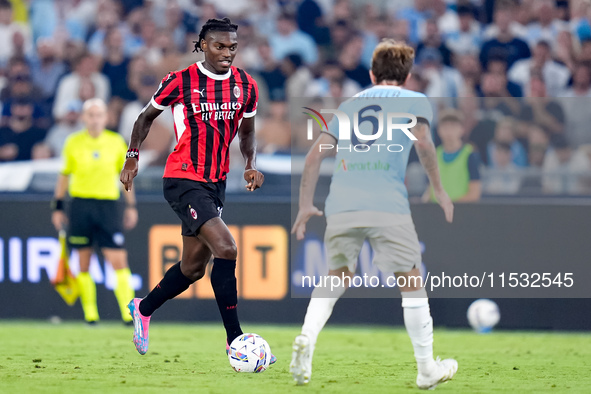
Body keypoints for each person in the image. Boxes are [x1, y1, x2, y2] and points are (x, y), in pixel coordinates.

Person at [290, 39, 457, 390]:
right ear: (408, 76)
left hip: (342, 201)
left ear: (371, 74)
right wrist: (439, 189)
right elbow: (424, 144)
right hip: (387, 202)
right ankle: (426, 369)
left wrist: (305, 205)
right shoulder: (415, 100)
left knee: (336, 275)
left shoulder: (350, 104)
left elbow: (313, 158)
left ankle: (307, 336)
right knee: (410, 280)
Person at [120, 18, 275, 366]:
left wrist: (250, 162)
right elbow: (144, 119)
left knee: (192, 269)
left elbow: (247, 133)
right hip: (182, 178)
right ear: (203, 45)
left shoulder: (246, 86)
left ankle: (142, 308)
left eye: (232, 47)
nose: (227, 53)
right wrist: (132, 158)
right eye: (220, 46)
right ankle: (236, 340)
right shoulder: (180, 80)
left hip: (215, 183)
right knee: (227, 247)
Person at [50, 98, 137, 325]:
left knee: (118, 259)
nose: (95, 119)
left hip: (108, 205)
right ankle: (91, 315)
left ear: (106, 118)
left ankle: (128, 315)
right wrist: (58, 206)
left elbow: (126, 177)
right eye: (91, 114)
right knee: (83, 259)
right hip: (80, 204)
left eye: (99, 115)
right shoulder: (73, 142)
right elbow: (64, 175)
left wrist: (131, 205)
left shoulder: (116, 142)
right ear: (84, 118)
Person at [426, 109, 482, 203]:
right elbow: (430, 188)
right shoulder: (433, 154)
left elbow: (475, 193)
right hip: (436, 213)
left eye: (453, 127)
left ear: (462, 129)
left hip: (461, 213)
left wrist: (450, 205)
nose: (449, 132)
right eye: (445, 127)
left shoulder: (470, 154)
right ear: (439, 130)